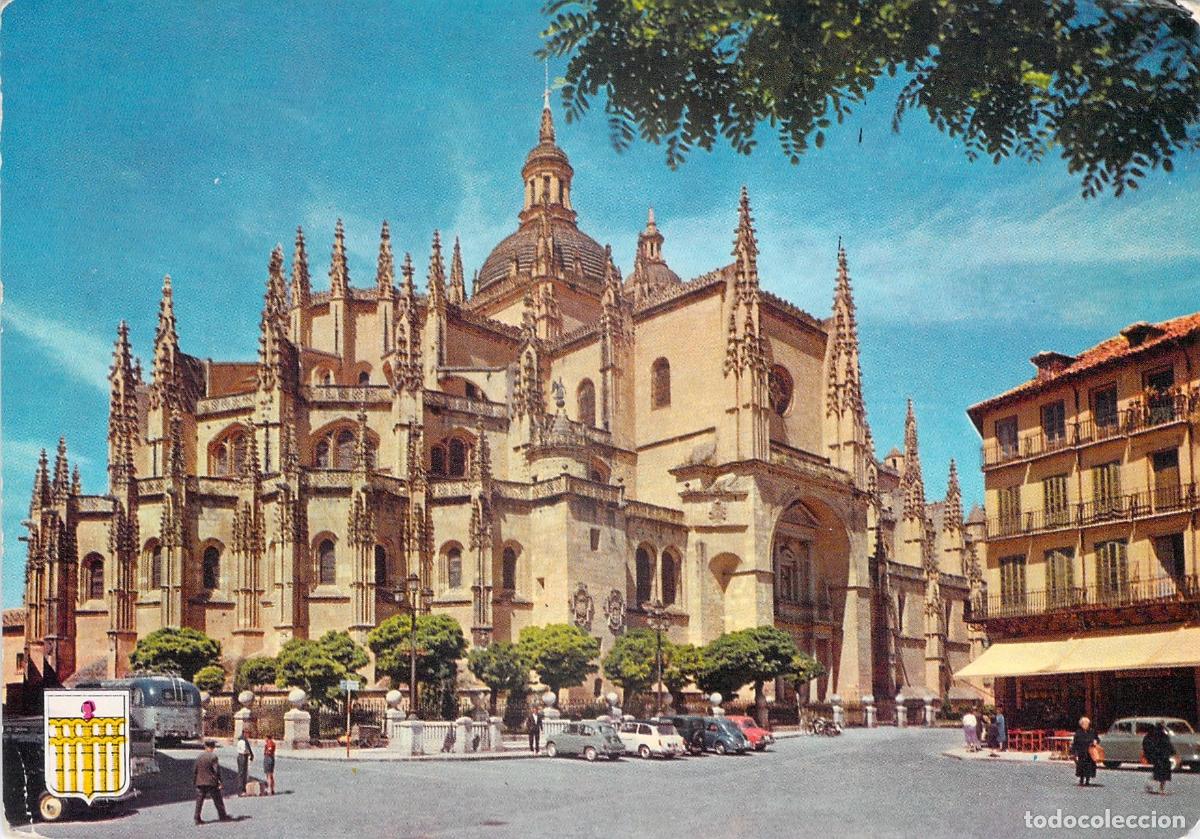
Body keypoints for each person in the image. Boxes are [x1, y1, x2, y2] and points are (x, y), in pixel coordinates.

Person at [194, 739, 233, 825]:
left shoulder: (199, 757)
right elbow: (216, 770)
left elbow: (195, 770)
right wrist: (220, 781)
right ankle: (222, 815)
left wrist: (195, 781)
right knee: (218, 800)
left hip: (200, 781)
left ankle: (197, 818)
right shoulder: (213, 757)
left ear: (205, 746)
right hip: (211, 782)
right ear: (213, 747)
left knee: (199, 801)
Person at [1142, 722, 1176, 795]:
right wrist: (1173, 752)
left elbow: (1146, 744)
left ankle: (1154, 785)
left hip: (1157, 757)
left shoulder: (1151, 735)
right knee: (1163, 775)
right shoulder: (1163, 736)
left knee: (1158, 773)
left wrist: (1148, 754)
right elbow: (1169, 745)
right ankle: (1161, 789)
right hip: (1163, 757)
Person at [1071, 716, 1100, 786]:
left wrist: (1096, 741)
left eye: (1087, 723)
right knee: (1081, 766)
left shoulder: (1092, 731)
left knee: (1089, 766)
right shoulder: (1078, 732)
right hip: (1082, 752)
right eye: (1084, 723)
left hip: (1090, 752)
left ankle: (1087, 780)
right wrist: (1074, 753)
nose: (1086, 725)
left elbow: (1097, 739)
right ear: (1081, 724)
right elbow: (1075, 743)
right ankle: (1081, 780)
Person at [235, 731, 254, 796]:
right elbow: (244, 750)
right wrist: (249, 753)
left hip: (242, 757)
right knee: (242, 773)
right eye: (247, 733)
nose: (248, 735)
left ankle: (243, 789)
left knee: (243, 773)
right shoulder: (243, 741)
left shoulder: (243, 740)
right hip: (242, 757)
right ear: (245, 734)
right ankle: (241, 790)